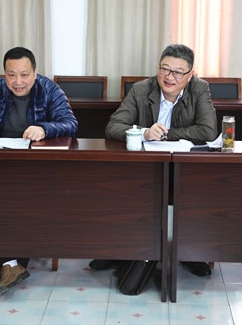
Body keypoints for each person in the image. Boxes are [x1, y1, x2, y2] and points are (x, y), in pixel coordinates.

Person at [92, 44, 218, 277]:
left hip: (184, 167)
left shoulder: (200, 89)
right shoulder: (141, 89)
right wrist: (144, 132)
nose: (169, 77)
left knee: (198, 189)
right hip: (143, 167)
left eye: (178, 72)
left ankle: (191, 252)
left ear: (190, 75)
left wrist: (166, 134)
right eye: (165, 69)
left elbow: (208, 131)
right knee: (118, 187)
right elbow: (113, 126)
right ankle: (118, 251)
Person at [0, 46, 78, 294]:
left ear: (35, 72)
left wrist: (44, 128)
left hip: (37, 167)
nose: (18, 82)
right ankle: (11, 266)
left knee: (22, 199)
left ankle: (5, 265)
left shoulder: (50, 90)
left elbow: (70, 124)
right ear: (4, 73)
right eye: (11, 75)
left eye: (24, 75)